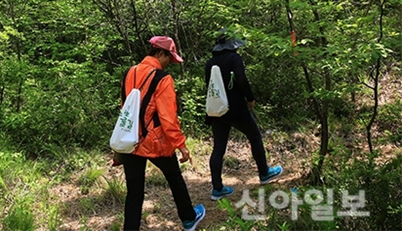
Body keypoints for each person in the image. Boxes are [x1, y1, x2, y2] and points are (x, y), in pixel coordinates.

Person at [117, 36, 205, 231]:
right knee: (174, 178)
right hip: (155, 142)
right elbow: (168, 117)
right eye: (169, 58)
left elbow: (125, 108)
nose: (170, 63)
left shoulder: (128, 73)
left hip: (129, 141)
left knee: (134, 192)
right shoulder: (162, 78)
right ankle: (189, 218)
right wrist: (181, 145)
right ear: (159, 53)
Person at [204, 29, 282, 201]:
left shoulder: (210, 63)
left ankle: (217, 188)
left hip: (217, 110)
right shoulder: (234, 58)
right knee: (254, 136)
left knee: (218, 147)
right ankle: (264, 173)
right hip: (236, 108)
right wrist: (250, 98)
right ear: (232, 45)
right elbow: (241, 79)